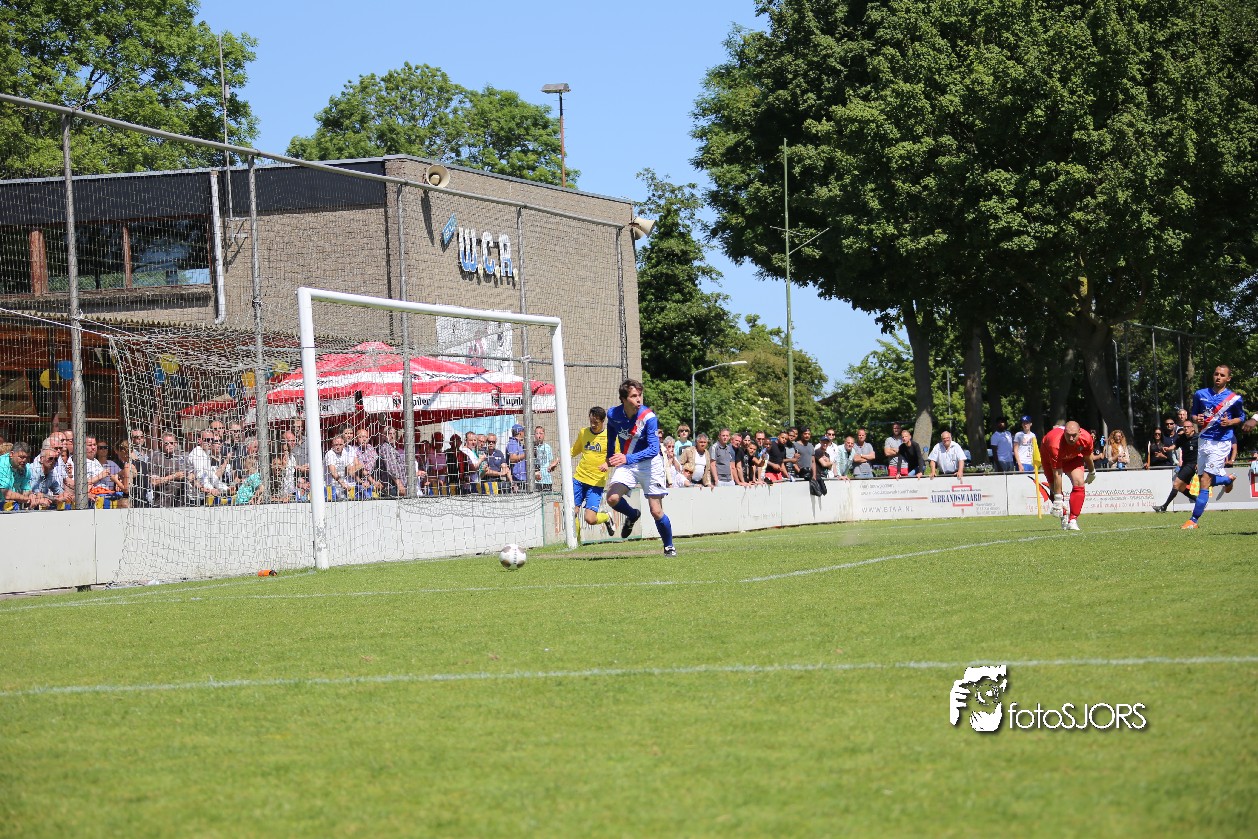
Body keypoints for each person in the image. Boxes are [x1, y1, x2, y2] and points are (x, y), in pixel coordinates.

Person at [604, 378, 676, 556]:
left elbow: (653, 449)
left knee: (656, 511)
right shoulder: (613, 414)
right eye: (634, 396)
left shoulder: (649, 418)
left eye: (640, 395)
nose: (639, 399)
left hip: (650, 464)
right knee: (612, 498)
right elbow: (611, 432)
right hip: (628, 462)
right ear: (623, 399)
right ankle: (632, 514)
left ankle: (669, 546)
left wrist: (626, 458)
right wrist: (610, 456)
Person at [1183, 364, 1247, 529]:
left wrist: (1230, 422)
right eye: (1216, 374)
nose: (1218, 377)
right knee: (1202, 480)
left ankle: (1193, 520)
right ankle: (1227, 479)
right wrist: (1196, 419)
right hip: (1203, 440)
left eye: (1222, 375)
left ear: (1228, 378)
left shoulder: (1234, 398)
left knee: (1205, 480)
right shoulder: (1200, 394)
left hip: (1221, 442)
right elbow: (1194, 414)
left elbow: (1241, 417)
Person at [1038, 420, 1096, 531]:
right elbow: (1057, 473)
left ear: (1080, 432)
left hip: (1073, 457)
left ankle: (1073, 520)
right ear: (1064, 432)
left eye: (1074, 435)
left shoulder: (1087, 438)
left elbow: (1087, 456)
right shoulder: (1055, 444)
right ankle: (1064, 514)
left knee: (1079, 482)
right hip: (1049, 456)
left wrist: (1092, 471)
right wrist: (1058, 498)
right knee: (1054, 489)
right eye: (1068, 435)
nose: (1071, 438)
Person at [570, 406, 615, 538]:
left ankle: (606, 517)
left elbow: (617, 456)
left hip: (596, 482)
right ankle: (576, 544)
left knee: (590, 519)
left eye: (596, 422)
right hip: (579, 478)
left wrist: (607, 463)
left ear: (603, 421)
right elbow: (574, 450)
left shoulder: (610, 437)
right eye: (591, 421)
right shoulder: (583, 432)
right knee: (572, 512)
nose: (593, 425)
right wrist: (558, 460)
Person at [1154, 420, 1200, 512]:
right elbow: (1175, 445)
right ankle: (1199, 501)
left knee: (1176, 484)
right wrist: (1168, 449)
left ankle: (1164, 507)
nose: (1186, 429)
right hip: (1185, 464)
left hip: (1192, 465)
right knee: (1182, 488)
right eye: (1184, 427)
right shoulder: (1182, 437)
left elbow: (1204, 451)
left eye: (1188, 427)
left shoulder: (1198, 438)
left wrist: (1199, 463)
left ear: (1192, 428)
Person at [0, 442, 47, 510]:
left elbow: (26, 490)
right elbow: (7, 494)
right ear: (11, 454)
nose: (24, 460)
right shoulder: (2, 464)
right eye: (21, 457)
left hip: (8, 504)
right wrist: (28, 499)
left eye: (27, 458)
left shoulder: (26, 467)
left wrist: (32, 496)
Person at [149, 433, 187, 507]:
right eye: (166, 443)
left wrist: (190, 475)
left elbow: (189, 473)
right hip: (163, 502)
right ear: (161, 444)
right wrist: (174, 476)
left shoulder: (181, 456)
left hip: (181, 502)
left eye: (172, 443)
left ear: (176, 444)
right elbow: (154, 482)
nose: (169, 445)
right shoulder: (156, 458)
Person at [324, 434, 357, 500]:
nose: (338, 447)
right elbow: (333, 473)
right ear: (332, 445)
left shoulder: (345, 453)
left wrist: (360, 481)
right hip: (329, 486)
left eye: (340, 444)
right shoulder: (330, 454)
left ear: (344, 445)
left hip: (341, 486)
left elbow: (349, 469)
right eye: (336, 445)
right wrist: (343, 484)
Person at [533, 426, 559, 491]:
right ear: (534, 435)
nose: (539, 436)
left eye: (541, 433)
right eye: (537, 433)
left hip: (547, 480)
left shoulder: (548, 447)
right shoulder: (532, 447)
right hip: (536, 481)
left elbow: (550, 464)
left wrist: (553, 466)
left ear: (544, 435)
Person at [506, 423, 528, 492]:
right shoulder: (513, 443)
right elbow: (512, 459)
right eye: (523, 432)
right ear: (520, 432)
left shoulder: (518, 444)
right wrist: (527, 454)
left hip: (522, 478)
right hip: (517, 479)